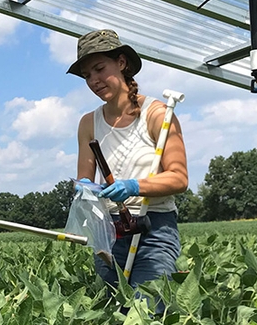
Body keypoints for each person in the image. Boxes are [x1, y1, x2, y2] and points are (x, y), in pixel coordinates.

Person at [68, 29, 188, 292]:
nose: (94, 80)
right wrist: (85, 189)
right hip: (109, 232)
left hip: (153, 226)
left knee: (149, 311)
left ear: (121, 63)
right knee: (113, 312)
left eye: (99, 69)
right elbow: (85, 178)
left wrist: (134, 186)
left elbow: (179, 178)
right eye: (87, 76)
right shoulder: (89, 123)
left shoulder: (157, 115)